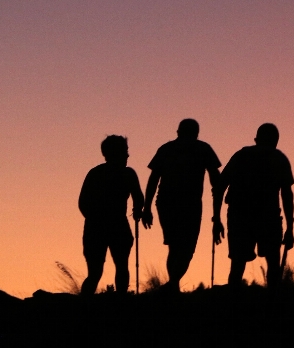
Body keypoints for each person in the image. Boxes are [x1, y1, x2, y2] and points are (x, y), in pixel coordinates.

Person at [141, 119, 222, 292]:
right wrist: (146, 208)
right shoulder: (201, 148)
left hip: (171, 203)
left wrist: (147, 208)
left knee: (177, 247)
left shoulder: (169, 149)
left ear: (178, 131)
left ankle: (172, 284)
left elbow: (217, 182)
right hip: (179, 204)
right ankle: (173, 285)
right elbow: (217, 181)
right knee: (184, 248)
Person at [213, 123, 294, 288]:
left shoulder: (241, 156)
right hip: (269, 217)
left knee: (237, 264)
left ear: (256, 139)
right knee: (273, 263)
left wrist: (216, 219)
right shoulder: (279, 158)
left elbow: (220, 187)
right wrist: (290, 227)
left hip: (239, 216)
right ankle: (272, 304)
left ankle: (233, 304)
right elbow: (287, 195)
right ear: (276, 141)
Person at [78, 135, 144, 295]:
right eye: (125, 151)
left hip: (98, 227)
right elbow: (139, 197)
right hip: (113, 226)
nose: (128, 155)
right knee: (116, 267)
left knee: (98, 272)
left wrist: (137, 209)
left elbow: (83, 203)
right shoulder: (127, 174)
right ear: (116, 153)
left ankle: (85, 304)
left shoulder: (96, 173)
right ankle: (119, 301)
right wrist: (137, 210)